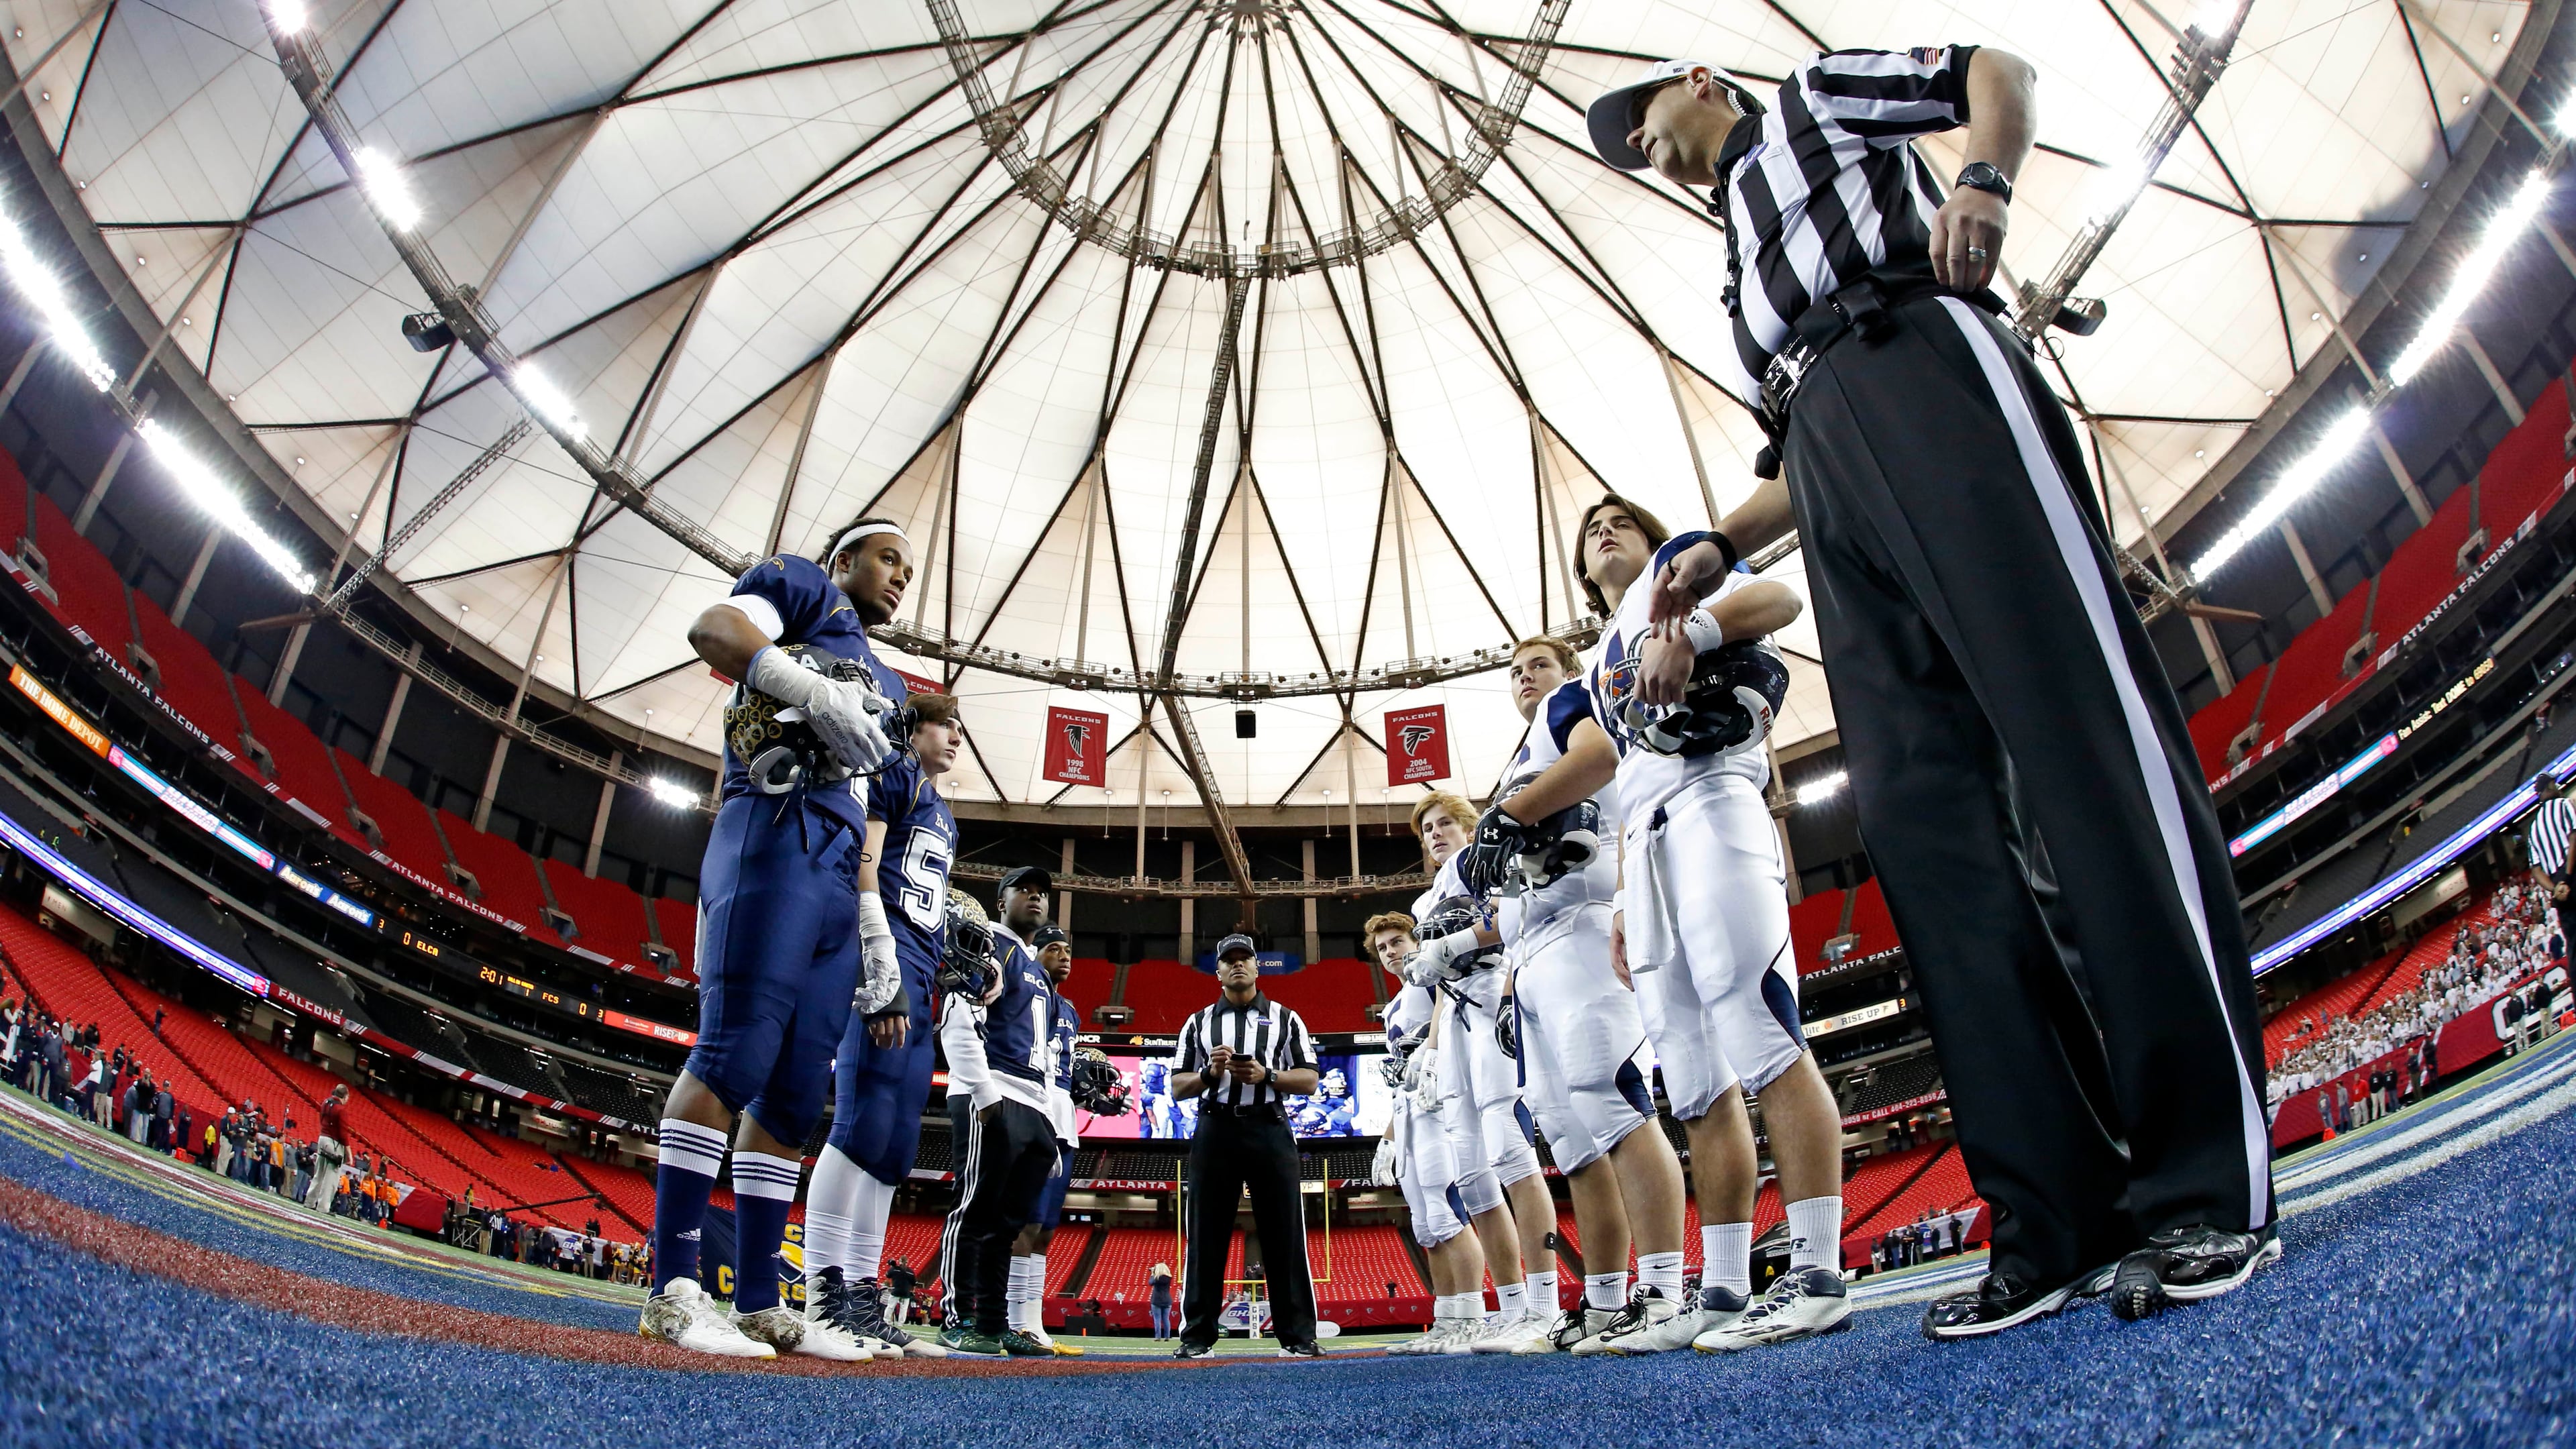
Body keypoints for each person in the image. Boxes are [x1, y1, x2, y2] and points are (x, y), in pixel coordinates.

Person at [1578, 46, 2276, 1337]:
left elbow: (1995, 69)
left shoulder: (1807, 100)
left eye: (1646, 124)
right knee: (1927, 825)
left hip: (1925, 361)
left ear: (1694, 78)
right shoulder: (1739, 257)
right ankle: (2052, 1207)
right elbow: (1800, 445)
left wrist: (1989, 184)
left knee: (2076, 732)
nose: (1645, 152)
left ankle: (2203, 1181)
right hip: (1830, 460)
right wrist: (1722, 541)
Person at [1464, 496, 1846, 1354]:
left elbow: (1778, 601)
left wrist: (1698, 632)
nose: (1602, 528)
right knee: (1691, 1076)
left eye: (1617, 520)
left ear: (1648, 533)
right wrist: (1629, 900)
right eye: (1588, 526)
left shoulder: (1678, 568)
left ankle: (1820, 1271)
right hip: (1649, 841)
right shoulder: (1598, 658)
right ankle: (1720, 1288)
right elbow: (1609, 773)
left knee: (1760, 1024)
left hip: (1713, 798)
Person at [641, 521, 914, 1362]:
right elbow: (714, 630)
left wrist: (875, 931)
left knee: (796, 1100)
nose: (901, 576)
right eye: (888, 557)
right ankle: (671, 1288)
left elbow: (877, 814)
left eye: (909, 566)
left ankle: (759, 1299)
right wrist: (807, 685)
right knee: (733, 1053)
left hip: (839, 874)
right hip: (775, 827)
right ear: (844, 562)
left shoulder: (895, 686)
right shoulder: (803, 587)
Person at [1491, 635, 1693, 1354]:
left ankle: (1667, 1289)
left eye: (1537, 665)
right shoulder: (1523, 751)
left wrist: (1508, 819)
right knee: (1570, 1136)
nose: (1526, 679)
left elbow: (1599, 760)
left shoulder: (1569, 706)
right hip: (1533, 950)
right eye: (1515, 673)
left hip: (1580, 923)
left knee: (1610, 1093)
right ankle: (1606, 1301)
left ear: (1567, 672)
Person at [802, 696, 967, 1362]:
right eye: (944, 725)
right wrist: (880, 962)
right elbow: (866, 864)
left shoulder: (945, 813)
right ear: (914, 728)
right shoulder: (895, 774)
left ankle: (865, 1301)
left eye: (960, 729)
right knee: (857, 1125)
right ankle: (823, 1295)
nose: (955, 737)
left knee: (894, 1145)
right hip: (887, 958)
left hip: (924, 976)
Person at [1402, 795, 1545, 1350]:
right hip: (1458, 1017)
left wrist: (1463, 946)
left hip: (1494, 1002)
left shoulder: (1489, 861)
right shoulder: (1424, 900)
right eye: (1427, 830)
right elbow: (1440, 984)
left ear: (1470, 828)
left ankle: (1545, 1302)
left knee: (1511, 1150)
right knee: (1470, 1170)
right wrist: (1433, 1048)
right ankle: (1511, 1308)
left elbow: (1514, 918)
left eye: (1445, 824)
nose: (1435, 835)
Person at [1168, 934, 1326, 1360]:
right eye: (1229, 960)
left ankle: (1297, 1335)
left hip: (1269, 1127)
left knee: (1285, 1230)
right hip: (1216, 1128)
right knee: (1205, 1232)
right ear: (1217, 971)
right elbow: (1177, 1086)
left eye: (1245, 959)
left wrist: (1267, 1075)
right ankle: (1197, 1335)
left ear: (1258, 968)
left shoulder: (1286, 1018)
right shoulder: (1198, 1022)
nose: (1238, 965)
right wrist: (1209, 1073)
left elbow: (1310, 1079)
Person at [934, 878, 1065, 1357]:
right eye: (1023, 888)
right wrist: (985, 1094)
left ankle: (992, 1321)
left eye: (1042, 892)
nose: (1035, 897)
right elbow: (956, 1016)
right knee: (974, 1209)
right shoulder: (989, 945)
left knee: (1008, 1224)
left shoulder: (1036, 971)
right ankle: (957, 1316)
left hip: (1033, 1102)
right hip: (991, 1089)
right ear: (1001, 901)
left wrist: (1049, 1123)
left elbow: (1046, 1060)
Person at [1364, 912, 1501, 1357]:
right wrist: (1386, 1137)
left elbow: (1444, 1010)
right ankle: (1447, 1319)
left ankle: (1472, 1317)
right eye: (1383, 947)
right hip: (1409, 1111)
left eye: (1397, 941)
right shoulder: (1395, 1004)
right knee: (1425, 1225)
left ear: (1415, 938)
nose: (1391, 952)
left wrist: (1432, 1051)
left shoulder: (1430, 978)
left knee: (1446, 1210)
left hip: (1441, 1103)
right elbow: (1403, 1080)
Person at [1005, 924, 1083, 1356]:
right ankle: (1014, 1320)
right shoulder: (1023, 987)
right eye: (1055, 949)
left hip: (1063, 1112)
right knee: (1025, 1221)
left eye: (1068, 950)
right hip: (1031, 1102)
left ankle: (1032, 1321)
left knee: (1046, 1229)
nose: (1065, 956)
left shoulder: (1069, 1008)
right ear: (1036, 953)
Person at [307, 1085, 350, 1214]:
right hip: (334, 1143)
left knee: (319, 1173)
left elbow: (321, 1119)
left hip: (322, 1138)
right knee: (331, 1177)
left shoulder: (326, 1103)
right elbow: (343, 1134)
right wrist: (349, 1153)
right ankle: (323, 1207)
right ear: (345, 1096)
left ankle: (309, 1201)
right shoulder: (340, 1110)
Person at [1148, 1262, 1175, 1341]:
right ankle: (1167, 1336)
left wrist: (1153, 1273)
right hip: (1167, 1300)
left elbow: (1150, 1283)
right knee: (1166, 1319)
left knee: (1157, 1319)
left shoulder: (1157, 1278)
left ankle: (1158, 1337)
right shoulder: (1169, 1278)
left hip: (1157, 1300)